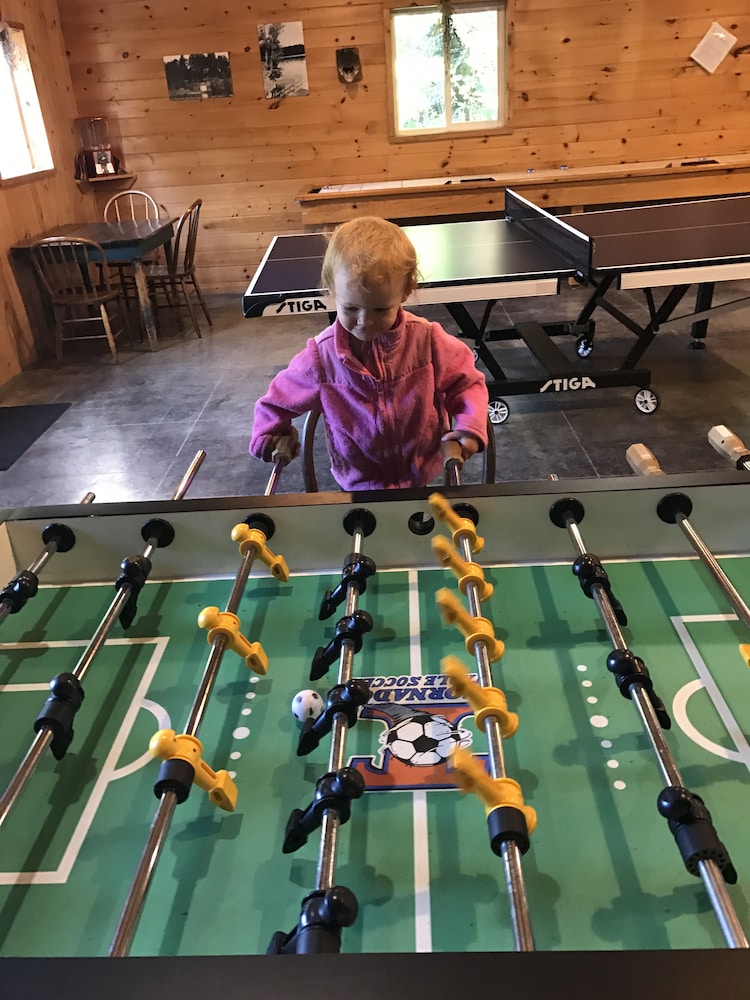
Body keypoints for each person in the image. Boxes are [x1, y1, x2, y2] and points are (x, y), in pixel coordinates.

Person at [249, 215, 489, 491]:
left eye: (380, 309)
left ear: (405, 292)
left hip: (423, 474)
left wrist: (471, 425)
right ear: (331, 290)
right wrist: (266, 435)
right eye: (351, 309)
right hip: (358, 483)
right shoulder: (320, 358)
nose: (365, 321)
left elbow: (468, 383)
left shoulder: (428, 340)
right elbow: (274, 402)